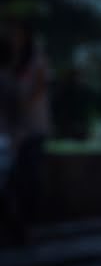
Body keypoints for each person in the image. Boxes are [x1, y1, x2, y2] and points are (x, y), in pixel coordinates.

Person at [2, 23, 51, 245]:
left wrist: (23, 104)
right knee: (11, 180)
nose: (14, 38)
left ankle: (26, 224)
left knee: (27, 177)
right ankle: (15, 226)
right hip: (9, 130)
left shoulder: (36, 61)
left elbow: (40, 88)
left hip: (33, 127)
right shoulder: (6, 63)